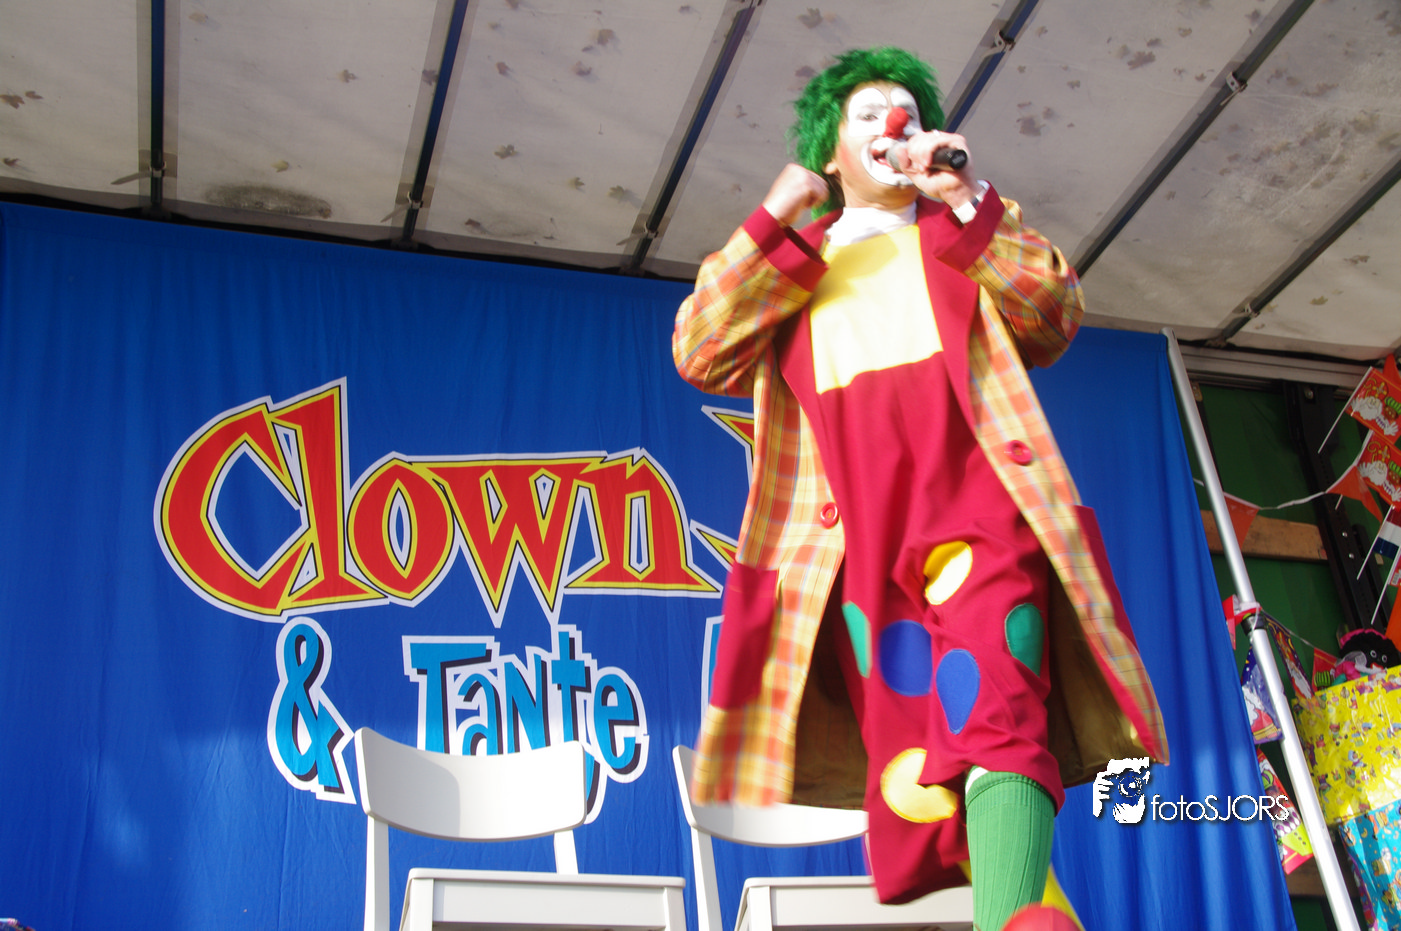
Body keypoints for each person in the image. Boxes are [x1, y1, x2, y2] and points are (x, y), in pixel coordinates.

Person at [672, 47, 1168, 931]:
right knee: (919, 771)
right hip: (860, 546)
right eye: (867, 114)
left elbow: (1052, 313)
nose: (892, 123)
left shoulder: (964, 232)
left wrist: (964, 198)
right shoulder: (794, 260)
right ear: (830, 152)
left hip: (983, 517)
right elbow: (699, 349)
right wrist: (774, 214)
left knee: (1000, 706)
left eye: (904, 110)